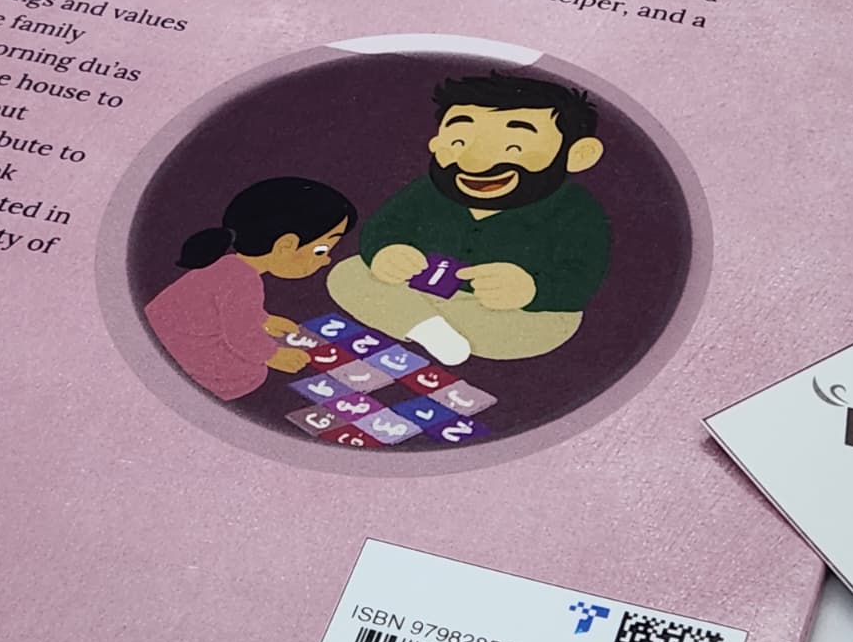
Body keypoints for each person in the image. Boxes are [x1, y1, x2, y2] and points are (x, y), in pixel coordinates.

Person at [326, 71, 610, 364]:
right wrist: (388, 252)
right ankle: (427, 328)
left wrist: (531, 290)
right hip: (418, 291)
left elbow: (582, 277)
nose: (474, 163)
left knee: (544, 327)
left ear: (577, 154)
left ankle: (418, 323)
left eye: (513, 148)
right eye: (459, 142)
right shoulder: (427, 189)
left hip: (510, 313)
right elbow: (384, 226)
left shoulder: (578, 209)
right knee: (349, 274)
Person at [145, 177, 357, 400]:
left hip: (162, 334)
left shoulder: (229, 264)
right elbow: (239, 335)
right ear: (286, 246)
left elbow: (228, 312)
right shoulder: (244, 280)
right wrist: (273, 356)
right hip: (176, 348)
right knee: (250, 374)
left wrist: (263, 320)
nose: (326, 260)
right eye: (321, 250)